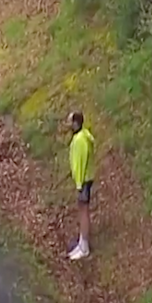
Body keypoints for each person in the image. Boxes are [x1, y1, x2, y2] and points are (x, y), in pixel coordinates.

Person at [67, 111, 96, 261]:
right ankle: (81, 242)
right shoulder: (84, 135)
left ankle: (84, 246)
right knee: (82, 210)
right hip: (85, 179)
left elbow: (80, 163)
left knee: (83, 211)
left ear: (76, 123)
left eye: (70, 121)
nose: (68, 125)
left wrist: (78, 183)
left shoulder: (80, 140)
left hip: (83, 180)